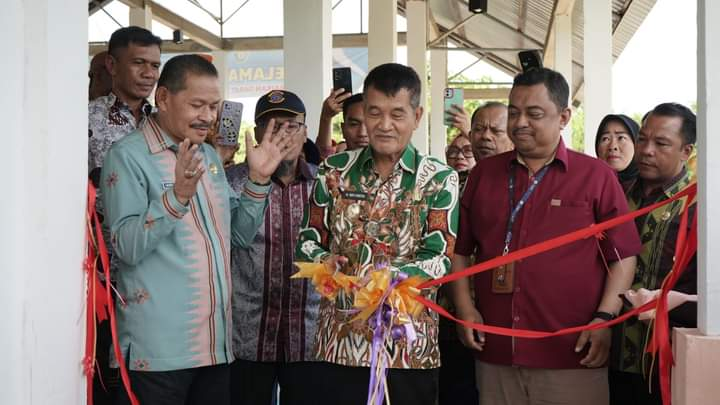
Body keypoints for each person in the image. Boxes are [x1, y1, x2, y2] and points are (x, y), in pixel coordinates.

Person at [101, 54, 299, 405]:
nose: (208, 116)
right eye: (197, 105)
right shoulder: (128, 156)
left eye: (213, 105)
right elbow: (126, 246)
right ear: (163, 98)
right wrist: (176, 198)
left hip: (215, 347)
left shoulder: (208, 157)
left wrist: (257, 180)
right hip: (159, 354)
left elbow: (237, 236)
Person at [450, 67, 641, 405]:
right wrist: (466, 308)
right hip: (495, 350)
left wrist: (604, 318)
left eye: (534, 114)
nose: (520, 122)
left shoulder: (595, 176)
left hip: (571, 354)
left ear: (564, 116)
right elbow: (460, 250)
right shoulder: (484, 174)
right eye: (514, 112)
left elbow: (623, 256)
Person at [295, 63, 459, 405]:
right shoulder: (334, 171)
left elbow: (440, 259)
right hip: (338, 343)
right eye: (374, 113)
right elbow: (307, 240)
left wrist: (391, 279)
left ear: (417, 115)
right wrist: (324, 260)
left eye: (397, 114)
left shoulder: (439, 178)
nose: (384, 125)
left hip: (409, 347)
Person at [225, 90, 321, 405]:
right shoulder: (231, 183)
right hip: (246, 336)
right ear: (256, 133)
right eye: (273, 126)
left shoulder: (325, 185)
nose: (283, 134)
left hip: (309, 338)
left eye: (292, 126)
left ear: (306, 131)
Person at [609, 103, 697, 405]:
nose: (646, 150)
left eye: (661, 143)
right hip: (609, 353)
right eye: (643, 139)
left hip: (666, 359)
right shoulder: (616, 195)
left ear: (686, 151)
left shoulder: (699, 206)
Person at [89, 26, 162, 184]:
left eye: (155, 66)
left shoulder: (163, 121)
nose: (148, 73)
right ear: (112, 65)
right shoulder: (87, 118)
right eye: (138, 62)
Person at [316, 90, 368, 157]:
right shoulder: (333, 165)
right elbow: (323, 155)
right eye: (354, 124)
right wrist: (326, 117)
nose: (362, 133)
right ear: (343, 129)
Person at [595, 114, 640, 190]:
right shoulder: (589, 185)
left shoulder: (651, 188)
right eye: (605, 139)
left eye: (621, 138)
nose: (612, 147)